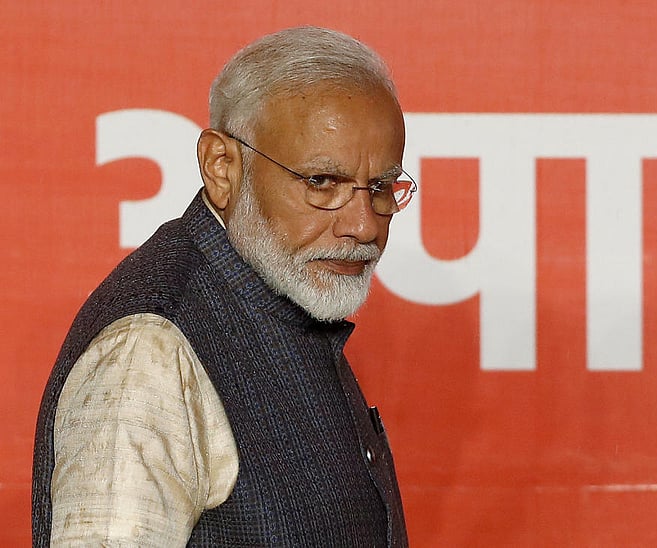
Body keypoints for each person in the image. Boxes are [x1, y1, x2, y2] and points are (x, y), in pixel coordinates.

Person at [32, 26, 413, 546]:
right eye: (322, 183)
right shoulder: (148, 351)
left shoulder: (289, 296)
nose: (364, 226)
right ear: (222, 167)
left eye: (380, 188)